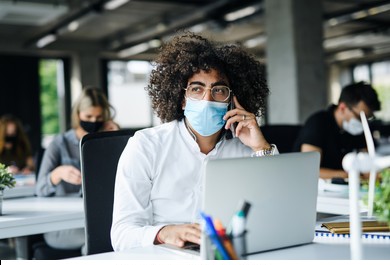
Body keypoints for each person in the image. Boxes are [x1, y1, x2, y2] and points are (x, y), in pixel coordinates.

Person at [111, 32, 278, 251]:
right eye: (197, 89)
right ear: (182, 99)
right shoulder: (146, 146)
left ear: (232, 99)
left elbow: (277, 216)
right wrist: (164, 233)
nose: (207, 99)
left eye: (218, 90)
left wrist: (261, 147)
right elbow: (122, 236)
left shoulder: (247, 149)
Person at [35, 86, 114, 253]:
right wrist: (58, 174)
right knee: (101, 239)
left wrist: (116, 140)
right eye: (88, 116)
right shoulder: (59, 143)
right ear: (78, 115)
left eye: (98, 117)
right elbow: (40, 188)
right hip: (63, 225)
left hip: (99, 218)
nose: (93, 121)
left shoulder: (104, 141)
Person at [293, 81, 381, 179]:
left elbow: (367, 166)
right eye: (360, 117)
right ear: (342, 108)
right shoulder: (318, 123)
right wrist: (350, 175)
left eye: (368, 118)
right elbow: (309, 170)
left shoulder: (359, 130)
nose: (363, 123)